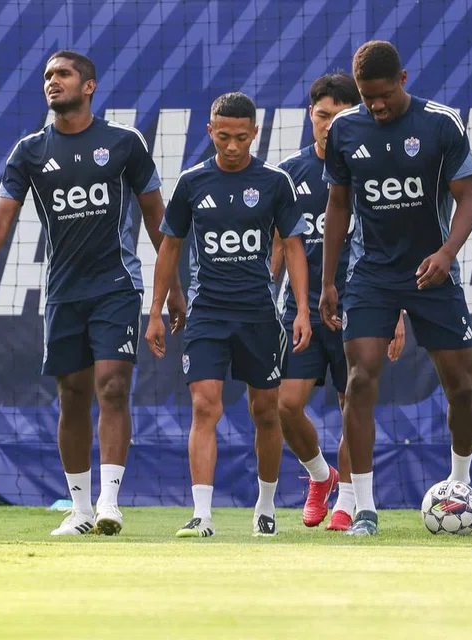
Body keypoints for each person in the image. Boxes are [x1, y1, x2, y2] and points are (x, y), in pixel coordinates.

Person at [0, 50, 186, 536]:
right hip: (63, 291)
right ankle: (81, 510)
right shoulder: (29, 150)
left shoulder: (123, 143)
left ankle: (110, 502)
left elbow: (159, 219)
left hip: (117, 285)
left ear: (88, 86)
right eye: (47, 75)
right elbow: (1, 214)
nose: (53, 82)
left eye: (63, 74)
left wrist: (172, 289)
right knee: (72, 396)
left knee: (112, 385)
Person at [320, 41, 472, 536]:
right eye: (368, 97)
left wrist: (447, 254)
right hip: (371, 274)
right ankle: (365, 507)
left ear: (404, 79)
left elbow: (469, 201)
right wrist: (328, 281)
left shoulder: (441, 123)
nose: (377, 105)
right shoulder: (346, 130)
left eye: (385, 94)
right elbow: (339, 207)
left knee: (463, 388)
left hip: (433, 271)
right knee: (360, 381)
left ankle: (459, 486)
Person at [146, 92, 312, 538]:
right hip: (207, 314)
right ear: (210, 132)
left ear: (255, 133)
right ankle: (202, 515)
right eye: (223, 136)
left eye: (241, 137)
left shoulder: (275, 182)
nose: (233, 146)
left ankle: (266, 506)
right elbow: (170, 247)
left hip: (259, 313)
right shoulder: (192, 182)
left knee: (266, 412)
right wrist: (156, 311)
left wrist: (302, 310)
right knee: (205, 406)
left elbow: (293, 245)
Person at [271, 71, 406, 532]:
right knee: (284, 404)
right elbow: (277, 247)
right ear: (311, 115)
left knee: (355, 403)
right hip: (301, 311)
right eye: (323, 115)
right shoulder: (289, 173)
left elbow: (395, 244)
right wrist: (271, 300)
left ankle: (349, 499)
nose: (330, 125)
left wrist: (399, 313)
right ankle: (320, 476)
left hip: (363, 304)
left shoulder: (372, 166)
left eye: (341, 116)